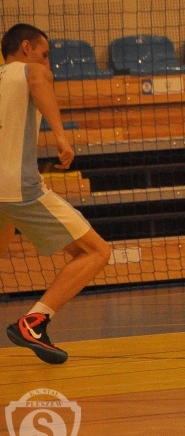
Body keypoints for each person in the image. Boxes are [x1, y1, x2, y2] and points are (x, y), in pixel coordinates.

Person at [1, 23, 111, 364]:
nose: (47, 63)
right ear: (25, 47)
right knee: (96, 251)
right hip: (16, 187)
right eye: (45, 54)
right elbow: (38, 79)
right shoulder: (31, 70)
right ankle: (33, 323)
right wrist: (61, 137)